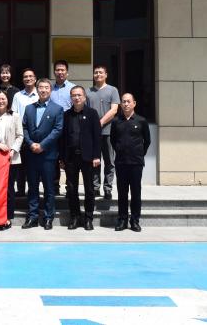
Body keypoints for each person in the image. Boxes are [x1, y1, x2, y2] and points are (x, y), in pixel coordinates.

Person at [20, 78, 63, 229]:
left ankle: (48, 217)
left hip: (48, 155)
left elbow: (57, 130)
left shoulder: (57, 109)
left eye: (46, 87)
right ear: (37, 90)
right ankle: (32, 217)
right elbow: (24, 128)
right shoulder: (29, 108)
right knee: (32, 187)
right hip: (31, 153)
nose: (43, 90)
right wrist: (31, 144)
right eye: (41, 87)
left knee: (49, 188)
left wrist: (43, 145)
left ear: (50, 90)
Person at [59, 86, 101, 231]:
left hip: (88, 158)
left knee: (89, 189)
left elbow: (97, 136)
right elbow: (63, 138)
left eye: (79, 95)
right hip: (70, 158)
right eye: (73, 95)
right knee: (72, 189)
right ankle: (75, 217)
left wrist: (96, 155)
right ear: (71, 98)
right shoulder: (66, 115)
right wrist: (62, 158)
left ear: (84, 97)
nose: (76, 98)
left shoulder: (92, 113)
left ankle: (88, 218)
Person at [110, 92, 150, 233]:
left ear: (134, 103)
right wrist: (120, 151)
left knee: (136, 192)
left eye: (128, 101)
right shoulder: (116, 121)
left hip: (136, 163)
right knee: (122, 193)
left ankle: (135, 220)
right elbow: (113, 140)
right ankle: (122, 220)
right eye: (123, 101)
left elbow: (147, 141)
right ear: (121, 104)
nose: (126, 104)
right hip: (121, 162)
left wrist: (139, 154)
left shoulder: (141, 121)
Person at [0, 90, 23, 228]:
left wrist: (13, 149)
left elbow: (20, 135)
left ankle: (7, 217)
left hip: (11, 158)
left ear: (8, 101)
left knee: (8, 189)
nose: (0, 101)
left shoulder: (15, 116)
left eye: (3, 99)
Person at [86, 64, 121, 200]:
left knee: (109, 162)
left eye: (101, 72)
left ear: (106, 75)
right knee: (94, 161)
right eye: (96, 72)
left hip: (108, 132)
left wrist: (99, 123)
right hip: (92, 134)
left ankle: (107, 189)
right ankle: (95, 188)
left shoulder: (112, 90)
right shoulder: (88, 92)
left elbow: (114, 110)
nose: (98, 75)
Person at [10, 68, 38, 196]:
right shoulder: (18, 95)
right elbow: (14, 114)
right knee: (21, 163)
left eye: (30, 76)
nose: (28, 78)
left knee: (34, 164)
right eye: (25, 76)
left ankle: (33, 190)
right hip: (21, 133)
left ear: (35, 79)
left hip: (36, 132)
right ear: (22, 80)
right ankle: (20, 189)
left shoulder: (39, 94)